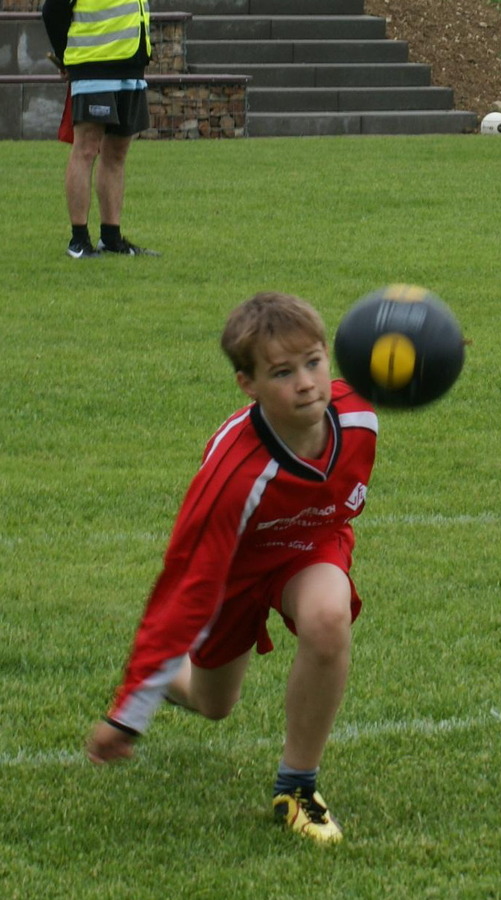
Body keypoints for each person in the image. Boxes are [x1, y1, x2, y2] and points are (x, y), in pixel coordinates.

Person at [85, 292, 380, 842]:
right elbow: (184, 592)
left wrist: (431, 353)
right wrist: (129, 713)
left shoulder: (360, 414)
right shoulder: (233, 477)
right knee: (214, 703)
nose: (306, 383)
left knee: (326, 617)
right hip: (232, 575)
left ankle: (296, 787)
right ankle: (165, 679)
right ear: (248, 384)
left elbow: (403, 370)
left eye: (314, 362)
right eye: (283, 372)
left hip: (309, 546)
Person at [42, 0, 158, 258]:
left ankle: (112, 238)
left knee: (117, 152)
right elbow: (52, 10)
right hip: (93, 65)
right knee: (86, 149)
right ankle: (79, 241)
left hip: (132, 63)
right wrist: (67, 57)